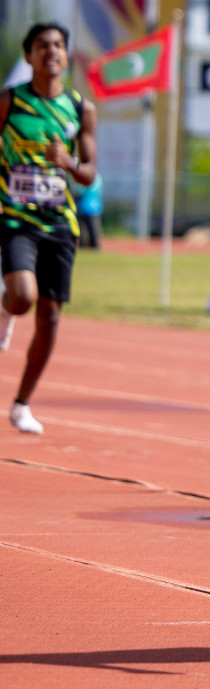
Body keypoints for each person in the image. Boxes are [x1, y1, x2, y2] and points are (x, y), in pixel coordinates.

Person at [0, 24, 97, 435]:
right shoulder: (10, 101)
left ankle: (21, 403)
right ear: (29, 57)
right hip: (15, 217)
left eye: (58, 45)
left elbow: (90, 174)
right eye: (42, 46)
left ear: (66, 55)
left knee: (50, 317)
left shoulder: (81, 108)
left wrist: (69, 162)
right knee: (23, 297)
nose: (51, 52)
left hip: (60, 221)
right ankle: (6, 307)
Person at [76, 174, 104, 249]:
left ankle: (86, 246)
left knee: (84, 231)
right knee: (92, 232)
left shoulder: (82, 178)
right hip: (93, 209)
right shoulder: (97, 178)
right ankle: (94, 246)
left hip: (85, 207)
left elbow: (79, 191)